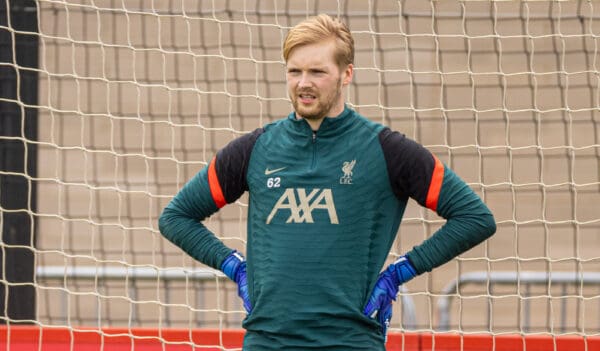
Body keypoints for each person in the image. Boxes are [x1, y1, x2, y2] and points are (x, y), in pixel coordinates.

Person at [159, 13, 496, 351]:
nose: (304, 83)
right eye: (295, 71)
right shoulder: (255, 149)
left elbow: (474, 218)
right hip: (267, 341)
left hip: (351, 342)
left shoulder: (387, 150)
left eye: (317, 72)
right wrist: (234, 267)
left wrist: (400, 273)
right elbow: (176, 217)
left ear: (346, 74)